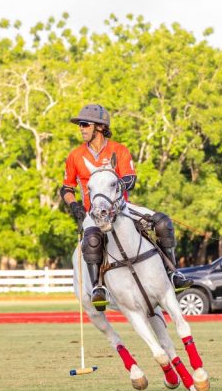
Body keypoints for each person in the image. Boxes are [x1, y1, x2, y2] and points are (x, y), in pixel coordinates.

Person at [60, 103, 189, 311]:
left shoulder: (119, 150)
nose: (81, 128)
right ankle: (98, 288)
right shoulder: (75, 156)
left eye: (85, 124)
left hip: (122, 208)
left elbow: (130, 179)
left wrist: (116, 188)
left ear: (100, 127)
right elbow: (67, 188)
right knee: (92, 240)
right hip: (93, 213)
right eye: (80, 125)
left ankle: (173, 274)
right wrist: (74, 205)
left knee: (163, 223)